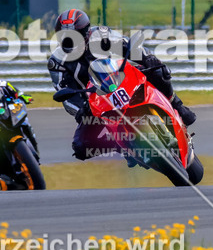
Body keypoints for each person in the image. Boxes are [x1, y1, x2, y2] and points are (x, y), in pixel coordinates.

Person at [46, 10, 196, 161]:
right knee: (80, 147)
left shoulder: (101, 35)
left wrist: (148, 59)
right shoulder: (56, 62)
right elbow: (66, 95)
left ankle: (178, 107)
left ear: (86, 32)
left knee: (159, 72)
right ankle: (125, 146)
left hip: (121, 79)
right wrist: (80, 110)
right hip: (95, 104)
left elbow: (129, 47)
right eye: (65, 37)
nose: (70, 41)